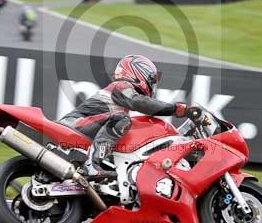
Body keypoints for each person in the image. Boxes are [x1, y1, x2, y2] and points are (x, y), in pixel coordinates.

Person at [59, 55, 191, 178]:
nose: (152, 85)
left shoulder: (119, 96)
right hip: (72, 125)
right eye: (151, 79)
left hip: (78, 129)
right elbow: (139, 102)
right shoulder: (121, 86)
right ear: (138, 72)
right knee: (121, 120)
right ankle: (92, 165)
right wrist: (177, 109)